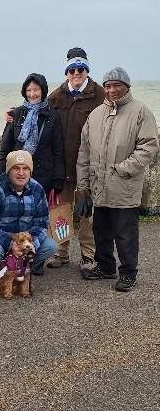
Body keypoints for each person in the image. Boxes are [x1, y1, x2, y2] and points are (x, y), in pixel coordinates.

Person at [77, 67, 159, 291]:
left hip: (124, 185)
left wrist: (123, 169)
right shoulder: (95, 115)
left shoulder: (140, 112)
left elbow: (148, 146)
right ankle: (105, 266)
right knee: (100, 231)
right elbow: (84, 152)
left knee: (125, 234)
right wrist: (82, 186)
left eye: (116, 85)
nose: (112, 90)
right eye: (108, 86)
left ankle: (128, 273)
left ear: (127, 87)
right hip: (98, 186)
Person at [45, 48, 105, 271]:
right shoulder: (55, 96)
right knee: (60, 212)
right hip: (62, 166)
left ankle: (88, 255)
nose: (76, 73)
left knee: (86, 214)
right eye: (72, 69)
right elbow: (40, 116)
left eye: (81, 69)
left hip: (88, 166)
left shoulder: (100, 95)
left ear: (86, 70)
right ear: (67, 71)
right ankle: (61, 253)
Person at [0, 150, 58, 287]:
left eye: (25, 168)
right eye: (16, 168)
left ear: (30, 171)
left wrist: (30, 246)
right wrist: (11, 243)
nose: (21, 173)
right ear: (8, 170)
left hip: (25, 241)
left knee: (51, 246)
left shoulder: (37, 189)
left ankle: (20, 272)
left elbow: (42, 222)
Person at [0, 73, 64, 195]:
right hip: (18, 174)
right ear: (24, 92)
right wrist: (0, 175)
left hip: (43, 177)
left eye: (36, 89)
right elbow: (5, 148)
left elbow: (58, 150)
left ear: (43, 90)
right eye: (29, 90)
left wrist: (58, 179)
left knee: (40, 213)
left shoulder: (53, 116)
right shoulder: (16, 114)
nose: (32, 94)